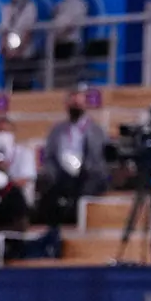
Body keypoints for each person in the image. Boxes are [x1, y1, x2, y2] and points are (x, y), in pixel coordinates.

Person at [38, 86, 109, 224]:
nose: (75, 104)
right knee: (48, 191)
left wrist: (85, 169)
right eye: (72, 101)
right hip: (62, 172)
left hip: (88, 173)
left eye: (78, 100)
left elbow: (99, 158)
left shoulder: (96, 130)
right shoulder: (57, 130)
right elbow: (50, 156)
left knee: (84, 190)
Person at [0, 0, 38, 91]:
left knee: (24, 85)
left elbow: (29, 31)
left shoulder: (31, 7)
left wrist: (19, 50)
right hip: (10, 54)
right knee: (9, 85)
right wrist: (5, 48)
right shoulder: (6, 8)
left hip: (25, 54)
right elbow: (4, 30)